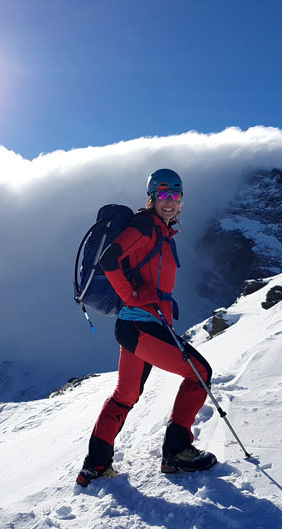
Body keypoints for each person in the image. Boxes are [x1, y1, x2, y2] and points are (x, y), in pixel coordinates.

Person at [76, 168, 217, 487]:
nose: (169, 202)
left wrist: (140, 302)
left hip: (141, 326)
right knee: (199, 375)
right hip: (141, 327)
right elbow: (109, 260)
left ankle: (95, 466)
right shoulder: (144, 227)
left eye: (175, 195)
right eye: (162, 195)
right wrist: (133, 297)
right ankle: (177, 453)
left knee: (125, 395)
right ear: (151, 198)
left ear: (181, 201)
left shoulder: (163, 234)